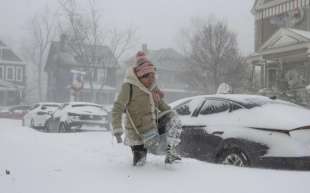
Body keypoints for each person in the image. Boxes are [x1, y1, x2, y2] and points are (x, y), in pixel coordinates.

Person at [111, 51, 182, 166]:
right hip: (136, 132)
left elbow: (163, 106)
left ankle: (170, 152)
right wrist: (117, 129)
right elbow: (117, 107)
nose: (151, 80)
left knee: (173, 119)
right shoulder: (129, 87)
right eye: (148, 77)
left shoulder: (152, 89)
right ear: (140, 76)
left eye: (153, 76)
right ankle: (138, 179)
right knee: (140, 163)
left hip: (152, 128)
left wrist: (173, 115)